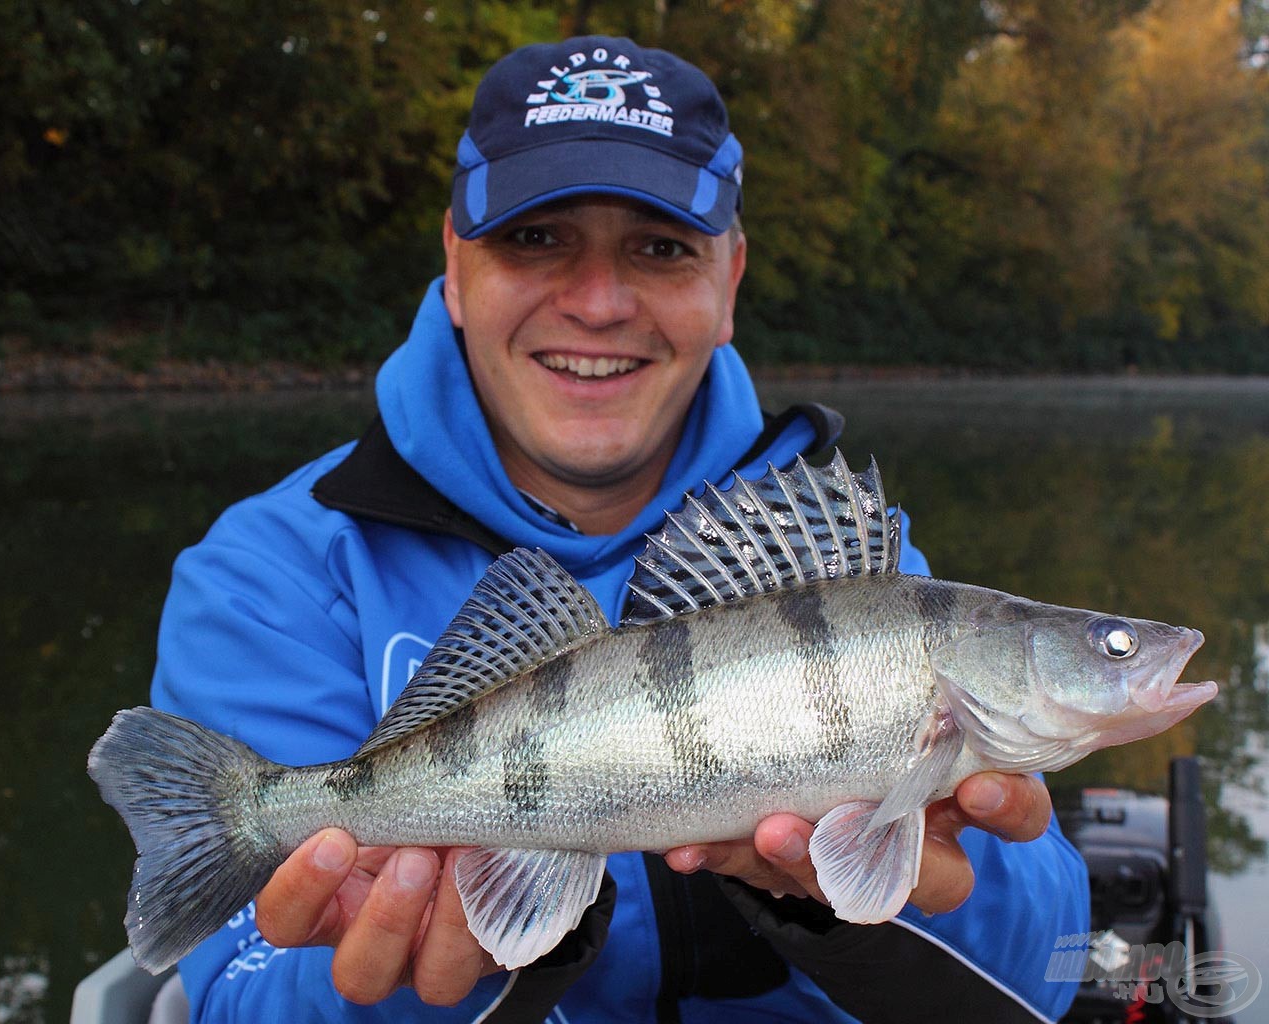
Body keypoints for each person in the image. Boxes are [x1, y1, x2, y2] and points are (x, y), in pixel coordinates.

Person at [150, 35, 1089, 1023]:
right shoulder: (268, 576)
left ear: (726, 282)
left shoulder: (840, 565)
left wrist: (914, 883)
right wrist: (409, 977)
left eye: (658, 247)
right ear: (455, 267)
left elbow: (1048, 972)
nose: (596, 303)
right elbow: (239, 995)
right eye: (535, 238)